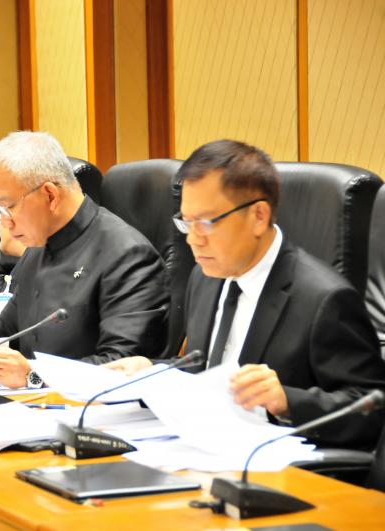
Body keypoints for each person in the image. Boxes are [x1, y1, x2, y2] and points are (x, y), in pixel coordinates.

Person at [106, 139, 385, 449]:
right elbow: (206, 369)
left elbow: (371, 410)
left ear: (259, 216)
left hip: (278, 463)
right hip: (200, 447)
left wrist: (288, 401)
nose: (193, 240)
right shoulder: (205, 276)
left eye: (206, 223)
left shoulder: (325, 299)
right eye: (187, 222)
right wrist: (153, 371)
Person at [0, 131, 168, 389]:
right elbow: (0, 335)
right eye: (0, 210)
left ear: (50, 195)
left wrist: (34, 377)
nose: (5, 223)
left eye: (9, 207)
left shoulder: (128, 256)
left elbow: (122, 366)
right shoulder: (36, 249)